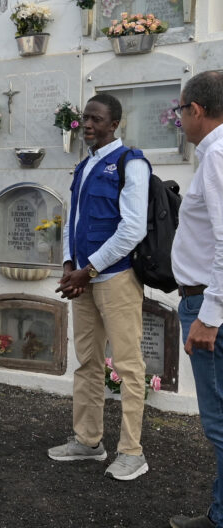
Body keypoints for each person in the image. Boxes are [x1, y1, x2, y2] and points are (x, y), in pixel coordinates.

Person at [49, 94, 151, 481]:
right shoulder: (84, 165)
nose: (87, 125)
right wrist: (68, 263)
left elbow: (132, 229)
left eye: (96, 119)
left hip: (115, 279)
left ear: (114, 124)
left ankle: (131, 452)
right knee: (87, 363)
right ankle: (89, 441)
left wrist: (89, 271)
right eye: (84, 119)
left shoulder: (131, 163)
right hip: (83, 280)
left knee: (128, 367)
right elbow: (70, 220)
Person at [168, 71, 223, 528]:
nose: (179, 119)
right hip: (207, 301)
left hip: (208, 306)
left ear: (197, 111)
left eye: (180, 111)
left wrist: (210, 314)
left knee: (219, 423)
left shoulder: (218, 155)